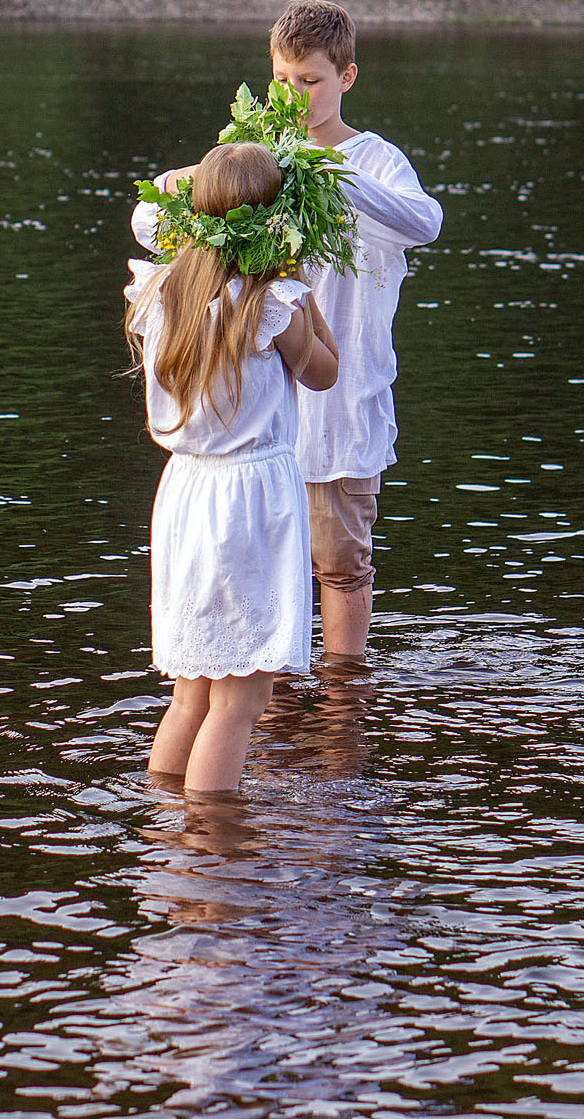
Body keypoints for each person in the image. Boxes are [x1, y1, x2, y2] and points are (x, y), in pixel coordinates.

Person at [134, 0, 443, 659]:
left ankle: (342, 694)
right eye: (282, 79)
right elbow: (148, 223)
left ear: (346, 77)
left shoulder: (375, 160)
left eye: (311, 80)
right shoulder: (254, 161)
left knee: (340, 563)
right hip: (256, 417)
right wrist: (211, 175)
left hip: (341, 407)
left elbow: (426, 222)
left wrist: (331, 176)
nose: (296, 95)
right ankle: (268, 699)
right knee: (261, 572)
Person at [125, 142, 340, 793]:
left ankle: (165, 826)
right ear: (276, 221)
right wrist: (302, 284)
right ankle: (211, 837)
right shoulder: (271, 304)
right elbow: (326, 372)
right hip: (250, 501)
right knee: (240, 700)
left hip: (186, 493)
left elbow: (152, 206)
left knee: (192, 693)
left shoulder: (164, 290)